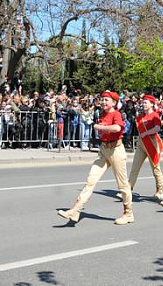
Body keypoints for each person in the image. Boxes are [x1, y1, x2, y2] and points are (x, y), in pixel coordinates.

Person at [57, 91, 134, 225]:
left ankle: (128, 213)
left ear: (114, 103)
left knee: (122, 185)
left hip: (116, 149)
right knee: (91, 181)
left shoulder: (116, 114)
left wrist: (101, 127)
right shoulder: (102, 114)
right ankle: (76, 209)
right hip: (104, 150)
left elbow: (117, 128)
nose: (103, 102)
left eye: (106, 100)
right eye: (102, 100)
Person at [128, 94, 163, 201]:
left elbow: (157, 128)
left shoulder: (155, 115)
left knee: (156, 168)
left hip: (152, 143)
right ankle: (128, 190)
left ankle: (159, 190)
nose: (143, 104)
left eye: (145, 103)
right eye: (143, 103)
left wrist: (146, 133)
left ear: (152, 104)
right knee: (135, 168)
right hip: (142, 144)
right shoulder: (141, 117)